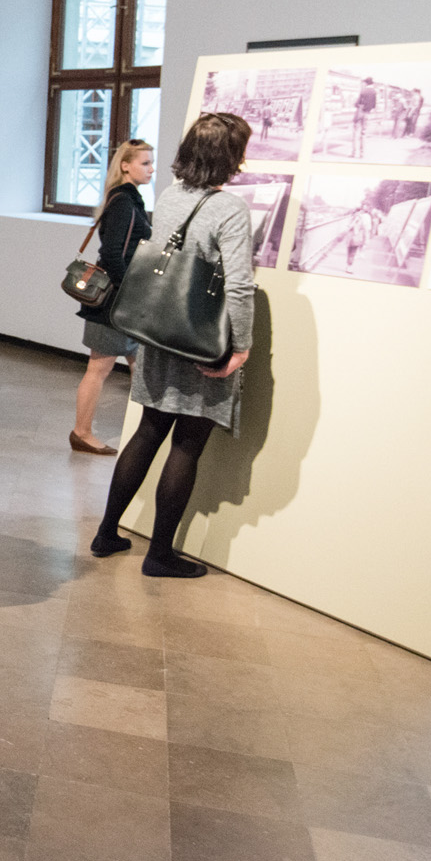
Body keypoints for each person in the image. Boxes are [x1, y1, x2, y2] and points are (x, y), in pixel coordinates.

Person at [90, 112, 255, 578]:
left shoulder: (169, 195)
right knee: (186, 444)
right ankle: (160, 555)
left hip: (159, 332)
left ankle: (106, 532)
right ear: (229, 156)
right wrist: (241, 347)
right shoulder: (229, 209)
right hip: (201, 341)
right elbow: (239, 286)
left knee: (148, 431)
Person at [71, 139, 153, 455]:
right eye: (145, 163)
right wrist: (128, 289)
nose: (151, 169)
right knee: (99, 369)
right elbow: (111, 254)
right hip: (114, 302)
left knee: (141, 367)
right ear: (126, 166)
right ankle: (81, 432)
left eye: (151, 162)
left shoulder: (127, 199)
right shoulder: (123, 202)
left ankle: (143, 434)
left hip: (123, 301)